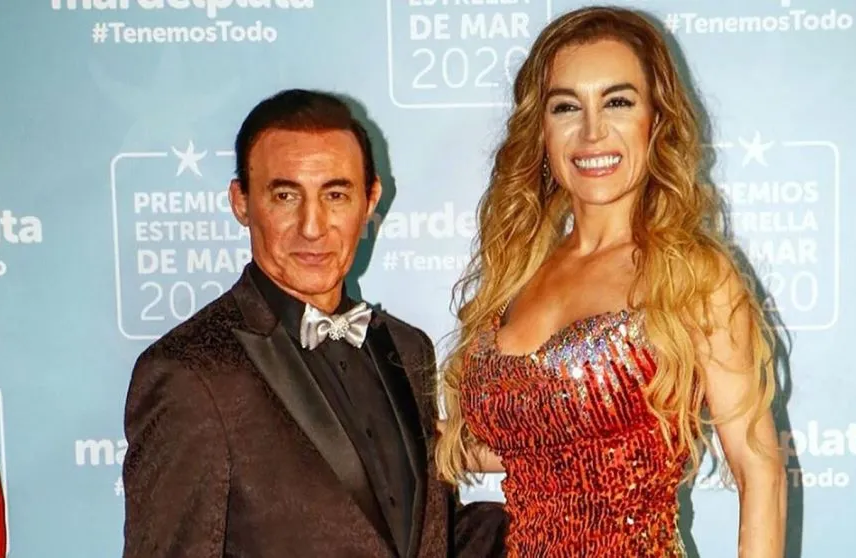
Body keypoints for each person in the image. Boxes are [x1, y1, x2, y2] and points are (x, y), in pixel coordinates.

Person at [435, 6, 786, 557]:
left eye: (617, 102)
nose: (592, 131)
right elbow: (534, 449)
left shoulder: (691, 275)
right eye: (566, 107)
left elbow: (758, 469)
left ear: (656, 121)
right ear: (542, 131)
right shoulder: (516, 276)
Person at [121, 88, 507, 558]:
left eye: (336, 194)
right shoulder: (189, 373)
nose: (312, 226)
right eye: (285, 196)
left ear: (370, 200)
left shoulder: (407, 349)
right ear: (241, 202)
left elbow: (429, 537)